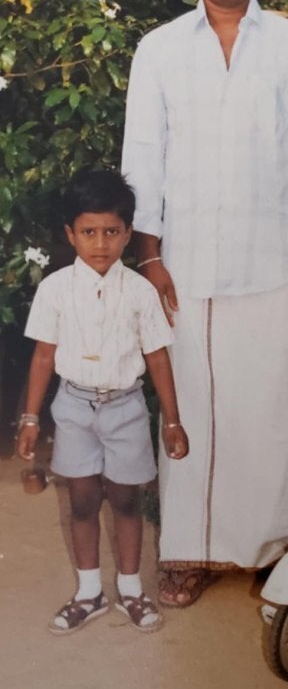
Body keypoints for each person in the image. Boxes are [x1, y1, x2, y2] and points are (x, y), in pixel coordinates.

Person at [121, 0, 288, 607]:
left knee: (273, 410)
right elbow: (142, 160)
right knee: (192, 406)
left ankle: (273, 550)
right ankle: (188, 551)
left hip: (276, 264)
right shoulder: (159, 50)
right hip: (185, 265)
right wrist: (146, 257)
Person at [15, 170, 189, 635]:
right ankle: (88, 592)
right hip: (73, 407)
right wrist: (31, 416)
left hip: (126, 407)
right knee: (83, 501)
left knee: (127, 501)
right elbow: (44, 355)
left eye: (111, 232)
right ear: (71, 233)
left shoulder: (139, 292)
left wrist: (172, 420)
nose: (100, 243)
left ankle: (130, 588)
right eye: (88, 232)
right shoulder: (54, 289)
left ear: (128, 233)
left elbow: (157, 354)